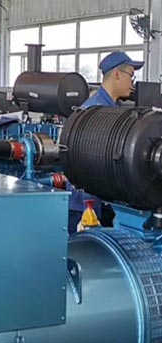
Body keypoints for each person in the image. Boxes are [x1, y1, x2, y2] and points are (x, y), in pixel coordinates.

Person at [67, 51, 144, 233]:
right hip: (86, 208)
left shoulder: (111, 109)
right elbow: (89, 160)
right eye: (131, 76)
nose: (132, 83)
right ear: (117, 74)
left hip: (100, 202)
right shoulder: (94, 112)